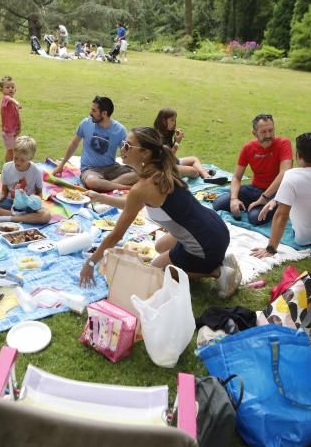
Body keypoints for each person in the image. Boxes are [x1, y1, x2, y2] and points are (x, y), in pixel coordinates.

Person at [79, 127, 241, 298]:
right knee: (159, 246)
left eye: (128, 145)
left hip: (205, 244)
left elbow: (116, 235)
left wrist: (90, 263)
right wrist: (101, 198)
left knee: (157, 270)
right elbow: (132, 204)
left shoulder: (143, 187)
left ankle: (217, 271)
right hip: (216, 229)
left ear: (144, 153)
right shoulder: (161, 169)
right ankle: (218, 259)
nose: (122, 148)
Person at [252, 132, 311, 257]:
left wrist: (270, 249)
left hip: (307, 239)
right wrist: (276, 200)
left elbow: (281, 216)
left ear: (298, 155)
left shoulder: (291, 176)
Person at [212, 113, 292, 225]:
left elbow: (285, 172)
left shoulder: (284, 143)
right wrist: (234, 199)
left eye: (271, 130)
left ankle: (277, 205)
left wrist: (264, 197)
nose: (268, 135)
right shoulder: (248, 148)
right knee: (218, 204)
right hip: (254, 189)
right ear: (254, 133)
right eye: (263, 132)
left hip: (276, 192)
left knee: (255, 218)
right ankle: (248, 204)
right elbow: (236, 177)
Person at [52, 96, 139, 192]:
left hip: (111, 168)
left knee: (139, 174)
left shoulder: (119, 130)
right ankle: (122, 187)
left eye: (94, 110)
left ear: (104, 113)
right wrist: (61, 165)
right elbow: (74, 144)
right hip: (90, 170)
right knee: (91, 181)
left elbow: (127, 152)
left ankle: (107, 185)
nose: (90, 113)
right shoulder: (85, 123)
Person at [0, 136, 51, 225]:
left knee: (46, 216)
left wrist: (34, 201)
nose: (18, 162)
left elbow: (39, 193)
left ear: (31, 158)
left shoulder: (36, 171)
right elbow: (4, 191)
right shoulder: (7, 167)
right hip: (9, 202)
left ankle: (11, 217)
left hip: (28, 206)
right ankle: (16, 216)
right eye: (15, 158)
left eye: (22, 160)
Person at [153, 108, 215, 180]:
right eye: (172, 120)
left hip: (173, 162)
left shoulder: (167, 132)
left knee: (194, 159)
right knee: (193, 172)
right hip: (164, 167)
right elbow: (168, 158)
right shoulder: (157, 137)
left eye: (175, 120)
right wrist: (177, 143)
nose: (174, 123)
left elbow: (170, 151)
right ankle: (203, 172)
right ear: (163, 121)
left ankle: (206, 175)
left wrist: (175, 140)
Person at [0, 75, 22, 162]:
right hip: (8, 131)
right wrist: (17, 102)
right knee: (10, 151)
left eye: (12, 87)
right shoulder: (6, 99)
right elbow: (9, 99)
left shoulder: (11, 102)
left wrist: (19, 127)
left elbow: (16, 116)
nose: (10, 89)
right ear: (1, 90)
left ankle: (11, 164)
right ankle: (7, 166)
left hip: (14, 130)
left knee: (13, 150)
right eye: (7, 87)